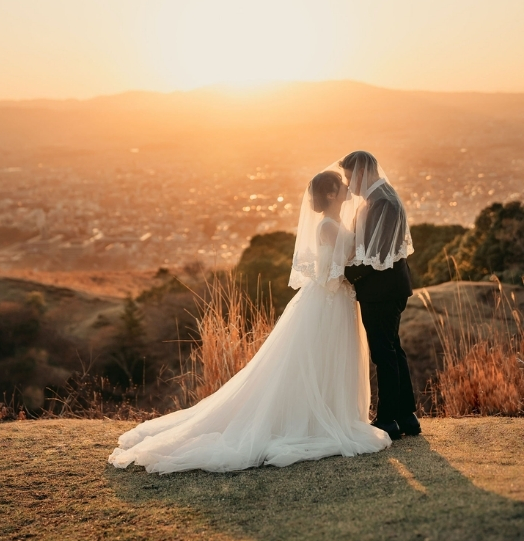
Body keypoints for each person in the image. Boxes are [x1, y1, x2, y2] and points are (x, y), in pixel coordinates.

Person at [108, 162, 392, 473]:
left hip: (337, 302)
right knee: (316, 358)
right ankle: (314, 422)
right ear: (330, 192)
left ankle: (332, 415)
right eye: (341, 185)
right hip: (328, 300)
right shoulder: (326, 226)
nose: (347, 189)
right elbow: (334, 271)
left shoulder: (339, 221)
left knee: (332, 358)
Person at [341, 150, 419, 440]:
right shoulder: (380, 197)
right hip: (389, 288)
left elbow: (378, 256)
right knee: (393, 349)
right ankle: (406, 416)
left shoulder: (382, 201)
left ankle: (387, 419)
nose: (350, 185)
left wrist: (346, 275)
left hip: (382, 291)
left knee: (383, 353)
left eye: (351, 178)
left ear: (362, 172)